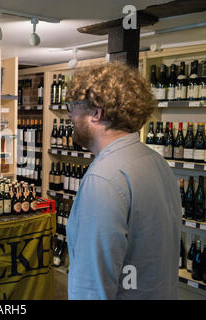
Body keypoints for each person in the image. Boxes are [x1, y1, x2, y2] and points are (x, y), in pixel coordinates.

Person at [65, 62, 181, 299]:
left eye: (74, 107)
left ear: (96, 113)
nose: (70, 114)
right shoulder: (156, 162)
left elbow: (92, 284)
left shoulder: (104, 177)